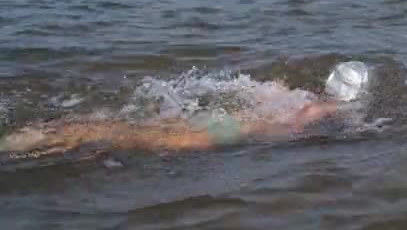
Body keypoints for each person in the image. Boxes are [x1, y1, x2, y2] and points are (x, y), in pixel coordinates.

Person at [0, 61, 369, 154]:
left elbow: (262, 89)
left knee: (127, 129)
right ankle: (25, 141)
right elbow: (299, 125)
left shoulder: (293, 91)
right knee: (119, 134)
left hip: (222, 118)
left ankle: (41, 135)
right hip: (226, 132)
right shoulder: (320, 109)